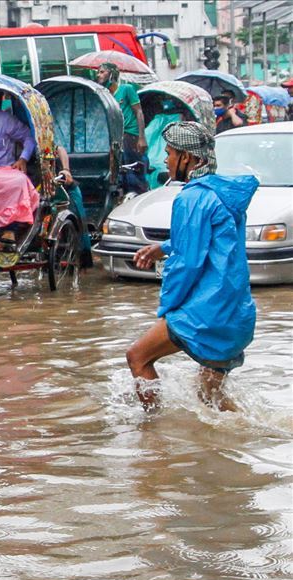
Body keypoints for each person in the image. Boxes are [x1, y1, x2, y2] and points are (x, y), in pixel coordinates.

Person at [126, 121, 257, 412]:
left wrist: (166, 310)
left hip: (207, 312)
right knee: (210, 398)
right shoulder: (223, 195)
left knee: (138, 357)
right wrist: (163, 247)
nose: (166, 159)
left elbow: (188, 263)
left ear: (188, 158)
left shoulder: (191, 197)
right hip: (236, 313)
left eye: (171, 153)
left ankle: (153, 431)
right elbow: (211, 241)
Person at [96, 62, 148, 194]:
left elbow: (139, 112)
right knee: (119, 172)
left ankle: (138, 194)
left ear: (112, 74)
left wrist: (141, 137)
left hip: (131, 135)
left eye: (102, 72)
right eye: (98, 72)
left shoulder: (126, 89)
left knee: (134, 169)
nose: (98, 75)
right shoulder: (106, 95)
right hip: (116, 138)